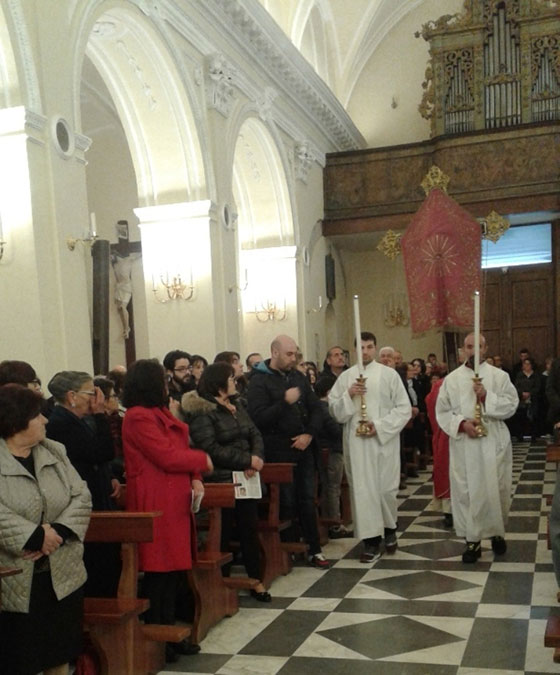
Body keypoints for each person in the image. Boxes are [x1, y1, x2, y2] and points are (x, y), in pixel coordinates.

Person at [122, 359, 212, 663]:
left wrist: (196, 478)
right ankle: (160, 638)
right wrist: (202, 462)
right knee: (160, 572)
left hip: (174, 497)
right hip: (155, 498)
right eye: (161, 380)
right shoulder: (137, 417)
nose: (166, 385)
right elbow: (166, 456)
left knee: (174, 571)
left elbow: (180, 448)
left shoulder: (159, 412)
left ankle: (170, 635)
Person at [0, 384, 92, 675]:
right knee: (20, 658)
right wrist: (35, 536)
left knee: (59, 653)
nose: (46, 420)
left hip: (61, 573)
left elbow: (81, 494)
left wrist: (60, 531)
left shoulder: (54, 451)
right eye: (38, 415)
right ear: (16, 421)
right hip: (15, 576)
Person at [181, 362, 270, 601]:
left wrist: (256, 459)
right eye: (231, 378)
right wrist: (246, 460)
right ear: (219, 384)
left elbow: (255, 433)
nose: (235, 382)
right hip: (222, 480)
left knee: (249, 530)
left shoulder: (237, 405)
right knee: (222, 534)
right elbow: (209, 447)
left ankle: (256, 580)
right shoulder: (203, 411)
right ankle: (220, 584)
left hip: (246, 476)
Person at [247, 334, 330, 569]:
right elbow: (258, 418)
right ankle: (289, 548)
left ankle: (314, 548)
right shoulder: (259, 381)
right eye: (289, 354)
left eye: (295, 354)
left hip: (304, 447)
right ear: (274, 353)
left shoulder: (297, 377)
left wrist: (309, 434)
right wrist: (284, 401)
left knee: (307, 499)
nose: (293, 358)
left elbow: (315, 409)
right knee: (287, 501)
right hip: (278, 451)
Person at [328, 332, 411, 563]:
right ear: (354, 350)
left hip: (383, 442)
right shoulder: (346, 377)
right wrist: (349, 394)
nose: (365, 351)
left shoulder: (389, 375)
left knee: (385, 490)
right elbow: (335, 410)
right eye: (361, 347)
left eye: (369, 347)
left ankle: (390, 528)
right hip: (358, 445)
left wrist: (381, 426)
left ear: (374, 349)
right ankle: (371, 541)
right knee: (364, 492)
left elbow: (404, 408)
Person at [436, 333, 518, 563]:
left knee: (497, 488)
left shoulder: (499, 376)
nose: (474, 351)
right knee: (467, 491)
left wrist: (486, 397)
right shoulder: (452, 380)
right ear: (463, 350)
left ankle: (497, 533)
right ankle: (471, 541)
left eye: (478, 346)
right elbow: (442, 411)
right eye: (469, 346)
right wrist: (462, 424)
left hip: (493, 440)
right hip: (465, 444)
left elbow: (512, 404)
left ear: (486, 347)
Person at [46, 371, 121, 597]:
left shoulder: (75, 421)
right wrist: (101, 415)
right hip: (83, 501)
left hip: (97, 493)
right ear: (72, 396)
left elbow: (95, 456)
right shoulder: (62, 423)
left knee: (107, 561)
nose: (96, 398)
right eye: (91, 393)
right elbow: (102, 452)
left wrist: (110, 477)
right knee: (98, 563)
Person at [314, 376, 351, 538]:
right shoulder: (326, 409)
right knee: (332, 488)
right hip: (332, 452)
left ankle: (334, 521)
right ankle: (334, 524)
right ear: (330, 391)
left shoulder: (320, 407)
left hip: (329, 451)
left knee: (331, 487)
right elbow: (336, 431)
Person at [425, 376, 452, 527]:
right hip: (446, 434)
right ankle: (449, 511)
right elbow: (432, 403)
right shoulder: (442, 385)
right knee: (446, 470)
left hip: (453, 433)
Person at [94, 376, 125, 482]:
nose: (117, 399)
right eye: (114, 396)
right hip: (114, 472)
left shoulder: (119, 418)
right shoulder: (100, 423)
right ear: (104, 400)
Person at [513, 357, 542, 441]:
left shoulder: (536, 375)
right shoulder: (519, 375)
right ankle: (520, 436)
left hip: (533, 400)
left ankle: (534, 436)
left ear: (531, 365)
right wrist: (522, 393)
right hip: (521, 400)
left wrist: (530, 393)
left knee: (533, 418)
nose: (526, 366)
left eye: (528, 364)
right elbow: (516, 387)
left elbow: (538, 387)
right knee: (521, 418)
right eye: (524, 364)